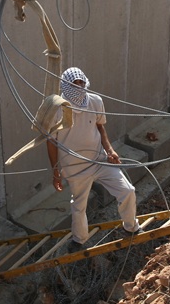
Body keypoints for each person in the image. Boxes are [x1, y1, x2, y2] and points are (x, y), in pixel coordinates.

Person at [46, 67, 141, 247]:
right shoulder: (56, 109)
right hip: (75, 167)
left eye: (81, 83)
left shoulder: (95, 101)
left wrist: (110, 151)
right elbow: (50, 142)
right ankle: (79, 240)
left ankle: (131, 228)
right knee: (79, 206)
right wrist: (55, 172)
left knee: (127, 191)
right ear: (65, 87)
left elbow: (100, 127)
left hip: (99, 160)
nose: (79, 87)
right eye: (74, 84)